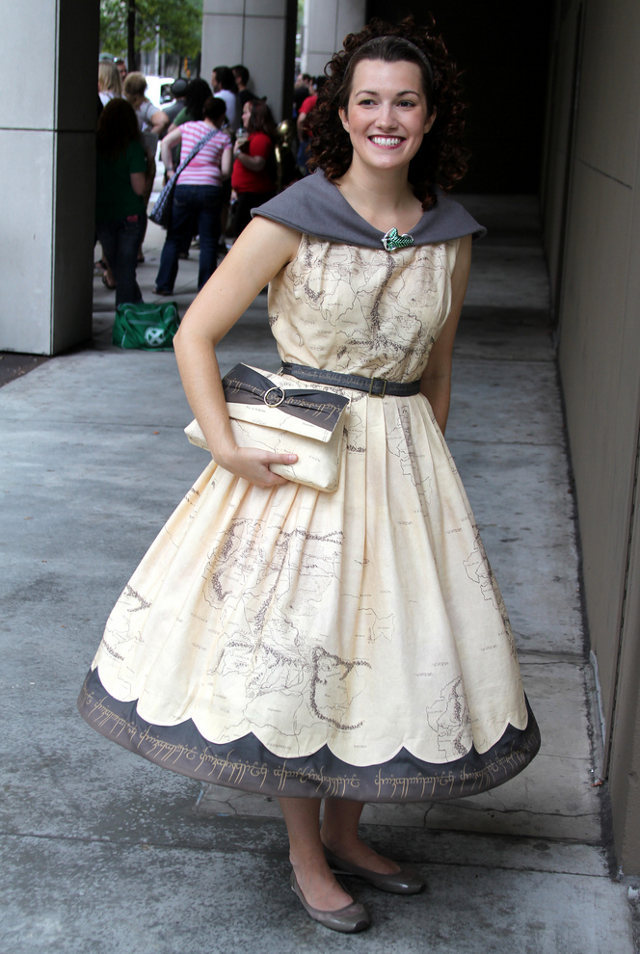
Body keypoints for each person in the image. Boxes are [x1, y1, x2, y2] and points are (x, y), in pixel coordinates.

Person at [79, 17, 540, 935]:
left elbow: (437, 369)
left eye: (404, 100)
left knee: (382, 649)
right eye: (368, 99)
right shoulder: (293, 214)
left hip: (403, 466)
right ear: (342, 111)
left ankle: (349, 832)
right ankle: (303, 852)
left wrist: (421, 478)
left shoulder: (450, 233)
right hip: (301, 465)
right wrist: (223, 445)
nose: (386, 116)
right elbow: (195, 332)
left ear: (431, 113)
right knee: (301, 653)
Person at [154, 96, 232, 293]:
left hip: (184, 187)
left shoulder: (187, 128)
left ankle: (164, 285)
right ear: (222, 115)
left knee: (174, 237)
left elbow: (165, 143)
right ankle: (205, 289)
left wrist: (171, 169)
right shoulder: (223, 138)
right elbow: (226, 170)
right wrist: (212, 174)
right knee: (208, 241)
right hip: (210, 189)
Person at [94, 98, 146, 305]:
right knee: (126, 270)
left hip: (103, 214)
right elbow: (139, 188)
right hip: (130, 215)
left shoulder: (96, 146)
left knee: (117, 267)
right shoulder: (133, 148)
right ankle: (127, 320)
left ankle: (134, 312)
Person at [230, 98, 277, 235]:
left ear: (255, 116)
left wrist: (238, 154)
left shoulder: (261, 138)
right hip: (246, 194)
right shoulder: (253, 137)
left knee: (242, 233)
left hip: (253, 195)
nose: (242, 116)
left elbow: (258, 164)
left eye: (246, 113)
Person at [211, 65, 239, 131]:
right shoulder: (236, 96)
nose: (211, 83)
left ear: (220, 83)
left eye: (213, 80)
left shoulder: (218, 97)